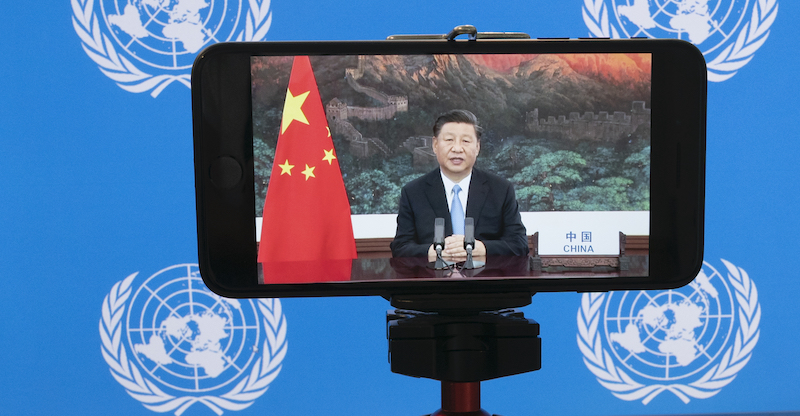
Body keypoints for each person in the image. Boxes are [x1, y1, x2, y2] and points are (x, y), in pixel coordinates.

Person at [390, 109, 528, 260]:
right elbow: (401, 247)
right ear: (435, 145)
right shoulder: (413, 192)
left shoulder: (501, 190)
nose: (457, 148)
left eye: (466, 141)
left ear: (477, 147)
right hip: (434, 280)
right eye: (449, 140)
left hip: (484, 280)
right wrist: (433, 252)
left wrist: (481, 248)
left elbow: (519, 244)